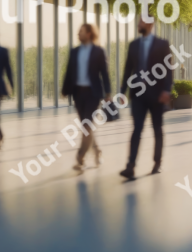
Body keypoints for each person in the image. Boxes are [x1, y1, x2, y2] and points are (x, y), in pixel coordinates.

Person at [119, 17, 173, 180]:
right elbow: (128, 69)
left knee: (157, 129)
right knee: (136, 130)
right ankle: (130, 166)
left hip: (157, 95)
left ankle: (157, 162)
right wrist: (122, 91)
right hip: (138, 94)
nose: (138, 24)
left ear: (150, 24)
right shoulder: (133, 45)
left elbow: (168, 69)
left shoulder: (162, 44)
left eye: (141, 22)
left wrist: (166, 90)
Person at [62, 23, 111, 171]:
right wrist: (64, 90)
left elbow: (105, 74)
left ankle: (81, 158)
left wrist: (108, 93)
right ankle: (97, 151)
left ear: (89, 34)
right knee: (86, 127)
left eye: (81, 32)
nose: (78, 34)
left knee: (86, 126)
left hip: (92, 94)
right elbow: (69, 71)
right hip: (78, 93)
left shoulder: (98, 52)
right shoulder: (74, 52)